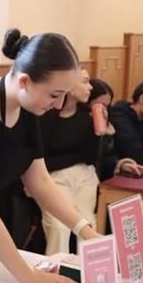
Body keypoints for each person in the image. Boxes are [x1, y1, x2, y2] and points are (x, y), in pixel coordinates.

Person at [0, 29, 99, 283]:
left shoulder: (27, 105)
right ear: (24, 81)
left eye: (64, 95)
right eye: (54, 95)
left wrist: (86, 231)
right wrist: (29, 277)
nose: (59, 105)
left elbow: (40, 181)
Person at [39, 68, 101, 254]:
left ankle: (90, 269)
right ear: (69, 86)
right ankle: (57, 268)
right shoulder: (45, 115)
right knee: (59, 228)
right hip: (53, 178)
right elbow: (44, 161)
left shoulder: (87, 116)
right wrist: (75, 157)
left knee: (88, 224)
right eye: (85, 81)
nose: (90, 87)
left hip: (84, 177)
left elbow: (90, 158)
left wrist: (98, 134)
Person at [89, 79, 143, 181]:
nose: (104, 111)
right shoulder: (76, 126)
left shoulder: (108, 127)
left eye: (107, 106)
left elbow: (106, 159)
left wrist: (121, 165)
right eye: (99, 105)